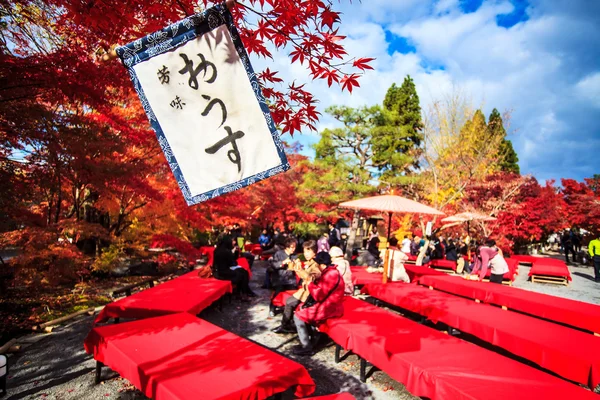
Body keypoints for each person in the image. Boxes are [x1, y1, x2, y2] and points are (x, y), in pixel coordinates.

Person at [292, 252, 344, 355]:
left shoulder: (330, 274)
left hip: (329, 307)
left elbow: (319, 295)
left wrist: (310, 283)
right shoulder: (331, 272)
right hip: (330, 304)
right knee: (300, 309)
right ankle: (313, 339)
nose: (316, 267)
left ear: (322, 265)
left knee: (298, 316)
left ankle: (307, 346)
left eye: (317, 264)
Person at [273, 240, 321, 333]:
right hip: (304, 290)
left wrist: (299, 269)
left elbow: (309, 278)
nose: (306, 254)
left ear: (314, 252)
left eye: (308, 251)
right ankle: (286, 324)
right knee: (288, 300)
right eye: (305, 251)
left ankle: (286, 325)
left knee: (290, 302)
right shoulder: (309, 261)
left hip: (310, 294)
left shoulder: (316, 264)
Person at [213, 235, 253, 300]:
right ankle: (243, 294)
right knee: (243, 274)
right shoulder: (226, 251)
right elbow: (233, 263)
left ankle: (241, 294)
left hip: (217, 272)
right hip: (224, 274)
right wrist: (233, 253)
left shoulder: (217, 250)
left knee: (243, 271)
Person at [268, 237, 299, 316]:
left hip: (290, 279)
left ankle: (290, 309)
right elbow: (274, 265)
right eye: (292, 247)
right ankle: (272, 308)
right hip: (279, 278)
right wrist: (283, 262)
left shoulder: (295, 256)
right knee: (278, 290)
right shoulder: (279, 253)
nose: (293, 249)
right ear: (287, 247)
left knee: (294, 292)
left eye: (295, 247)